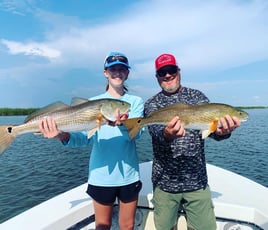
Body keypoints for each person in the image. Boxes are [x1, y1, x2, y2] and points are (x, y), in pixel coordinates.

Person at [39, 51, 144, 230]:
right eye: (113, 70)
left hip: (128, 175)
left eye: (122, 69)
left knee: (127, 226)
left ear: (127, 73)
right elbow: (83, 139)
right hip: (101, 176)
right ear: (105, 73)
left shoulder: (134, 102)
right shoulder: (93, 102)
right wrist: (61, 135)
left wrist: (121, 124)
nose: (117, 73)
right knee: (102, 226)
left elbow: (137, 133)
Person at [144, 53, 241, 230]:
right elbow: (155, 132)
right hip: (164, 182)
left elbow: (212, 132)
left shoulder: (198, 97)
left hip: (196, 180)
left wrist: (222, 132)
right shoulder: (152, 103)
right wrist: (167, 134)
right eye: (162, 72)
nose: (167, 75)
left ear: (178, 71)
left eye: (171, 70)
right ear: (157, 77)